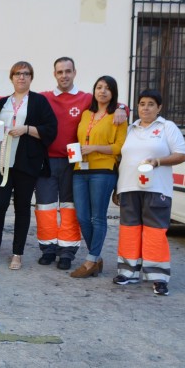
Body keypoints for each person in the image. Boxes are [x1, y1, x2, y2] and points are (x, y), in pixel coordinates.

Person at [36, 57, 128, 270]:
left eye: (68, 71)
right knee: (45, 208)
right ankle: (48, 249)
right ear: (54, 74)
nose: (64, 75)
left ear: (75, 73)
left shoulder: (86, 99)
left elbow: (110, 104)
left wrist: (123, 107)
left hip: (73, 164)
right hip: (47, 162)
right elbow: (16, 99)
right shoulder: (44, 98)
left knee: (71, 209)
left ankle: (67, 251)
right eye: (60, 72)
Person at [113, 89, 185, 296]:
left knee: (155, 231)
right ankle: (128, 272)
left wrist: (159, 161)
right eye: (142, 103)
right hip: (129, 187)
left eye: (151, 104)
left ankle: (158, 277)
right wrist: (117, 187)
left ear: (159, 107)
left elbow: (182, 154)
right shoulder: (130, 129)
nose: (145, 108)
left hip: (157, 188)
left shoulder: (167, 127)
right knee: (129, 230)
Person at [0, 61, 58, 270]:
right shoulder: (2, 103)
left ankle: (17, 253)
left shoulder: (39, 102)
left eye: (26, 74)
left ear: (31, 78)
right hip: (2, 163)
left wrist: (26, 129)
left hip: (26, 164)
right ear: (12, 77)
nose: (21, 77)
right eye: (18, 73)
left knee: (22, 208)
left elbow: (50, 130)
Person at [70, 76, 127, 278]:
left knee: (97, 217)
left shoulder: (118, 116)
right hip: (80, 169)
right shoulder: (86, 113)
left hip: (103, 170)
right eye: (99, 87)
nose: (102, 91)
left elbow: (120, 147)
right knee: (82, 217)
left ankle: (91, 259)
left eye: (107, 88)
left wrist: (94, 147)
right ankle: (96, 257)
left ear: (113, 93)